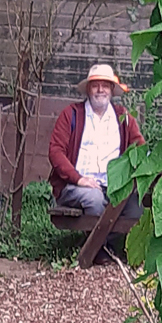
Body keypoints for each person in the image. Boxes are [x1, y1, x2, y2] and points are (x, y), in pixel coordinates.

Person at [48, 63, 144, 220]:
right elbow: (55, 151)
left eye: (105, 86)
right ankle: (98, 245)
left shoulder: (123, 117)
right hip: (76, 186)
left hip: (115, 186)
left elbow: (140, 148)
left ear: (112, 90)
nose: (100, 90)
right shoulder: (71, 114)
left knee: (135, 208)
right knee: (94, 200)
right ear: (88, 90)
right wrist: (78, 179)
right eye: (95, 86)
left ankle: (113, 244)